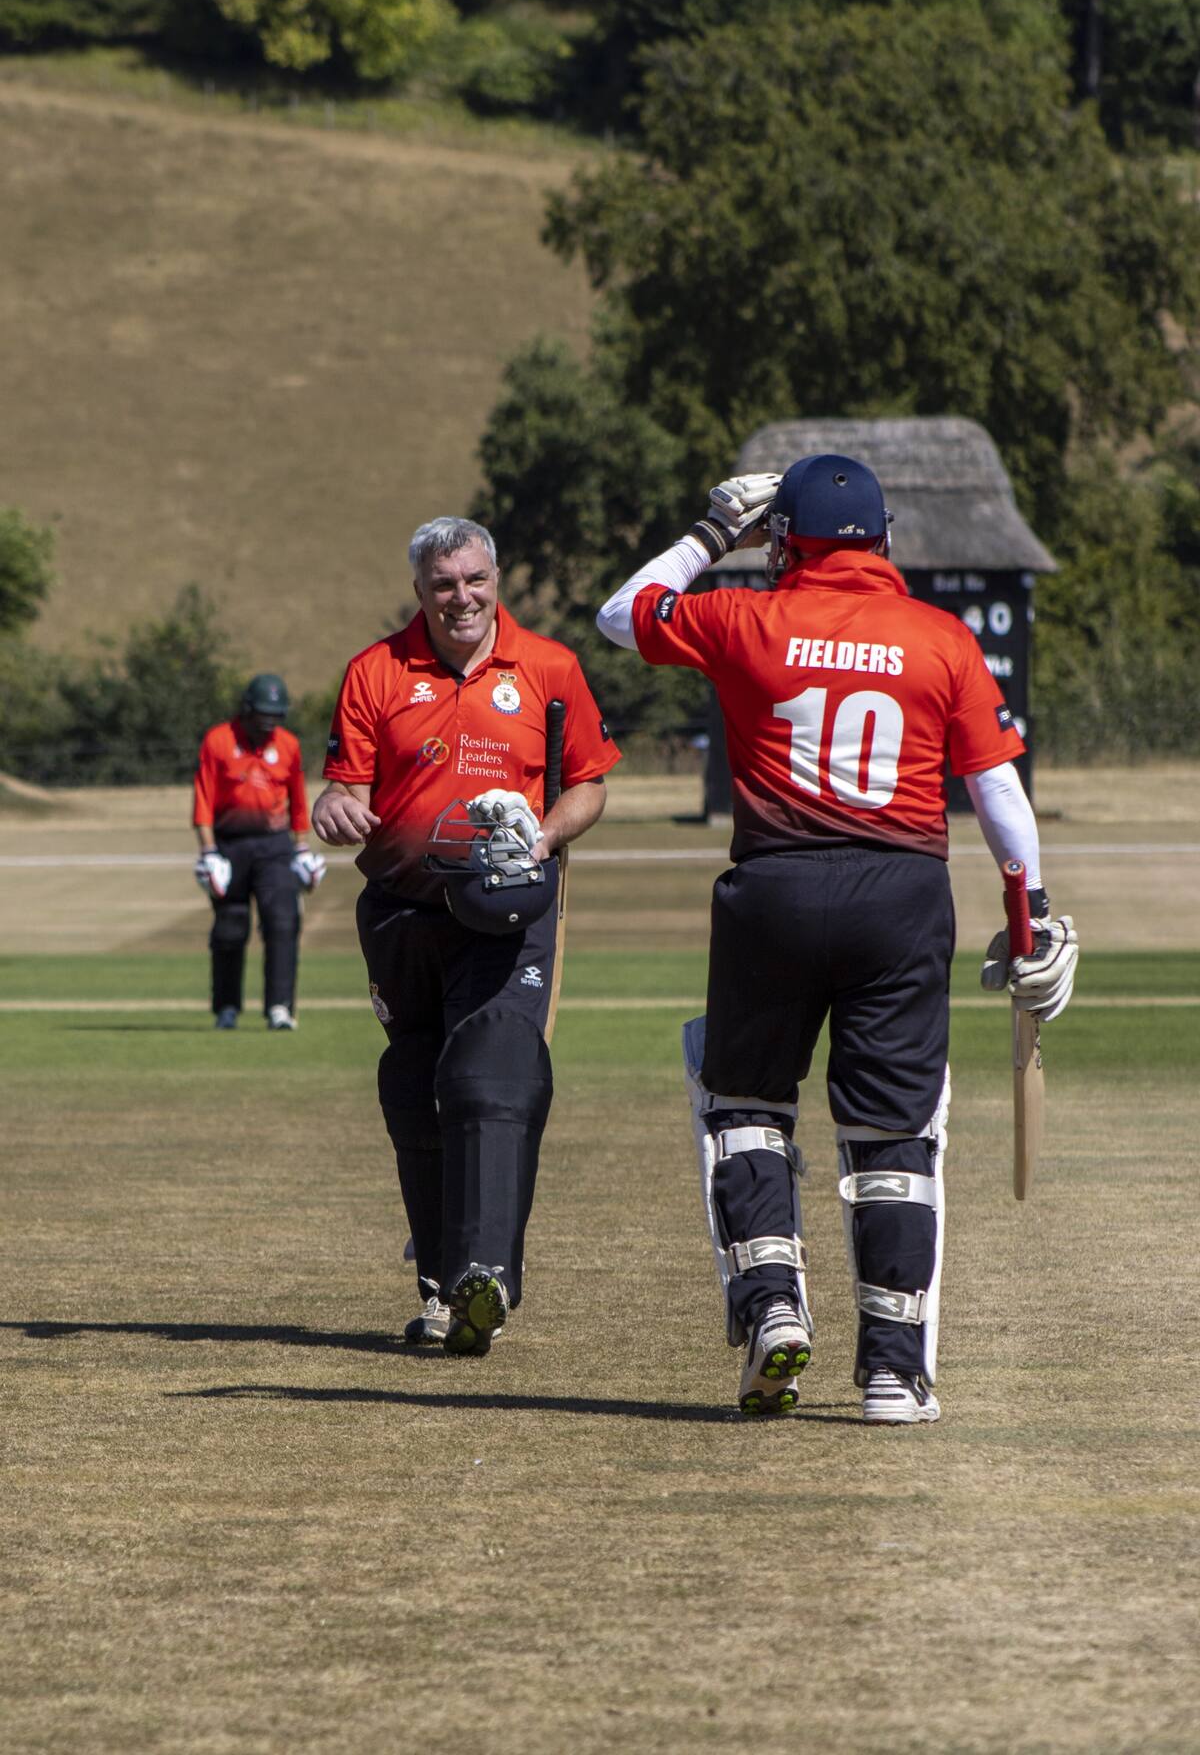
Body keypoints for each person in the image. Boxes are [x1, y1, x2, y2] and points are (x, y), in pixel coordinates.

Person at [596, 457, 1079, 1422]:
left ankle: (774, 1306)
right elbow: (998, 797)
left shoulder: (743, 618)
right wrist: (1028, 918)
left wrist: (707, 537)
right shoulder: (940, 640)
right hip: (900, 895)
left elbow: (623, 613)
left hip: (772, 887)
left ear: (787, 541)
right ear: (885, 539)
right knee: (895, 1136)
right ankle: (894, 1374)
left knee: (743, 1107)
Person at [311, 516, 619, 1355]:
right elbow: (343, 787)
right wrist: (333, 807)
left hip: (506, 914)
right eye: (444, 584)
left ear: (497, 580)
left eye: (474, 580)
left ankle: (485, 1272)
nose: (462, 598)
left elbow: (589, 784)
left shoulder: (549, 668)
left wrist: (546, 836)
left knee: (488, 1074)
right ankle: (443, 1293)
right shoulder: (375, 672)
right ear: (420, 591)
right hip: (403, 913)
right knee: (413, 1086)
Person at [193, 672, 325, 1031]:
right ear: (247, 710)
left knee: (282, 923)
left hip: (275, 846)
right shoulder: (219, 740)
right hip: (230, 844)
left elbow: (298, 799)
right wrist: (208, 853)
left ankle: (280, 1008)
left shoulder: (287, 745)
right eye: (262, 715)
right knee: (230, 927)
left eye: (275, 716)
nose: (268, 723)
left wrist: (302, 849)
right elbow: (203, 798)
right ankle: (227, 1008)